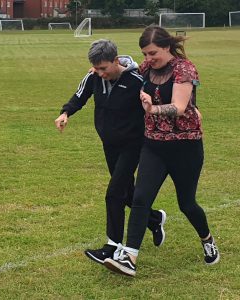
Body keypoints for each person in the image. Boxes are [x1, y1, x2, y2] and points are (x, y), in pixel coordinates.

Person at [103, 26, 220, 277]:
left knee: (187, 204)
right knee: (140, 199)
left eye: (152, 53)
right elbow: (127, 66)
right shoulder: (146, 69)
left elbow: (178, 107)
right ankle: (130, 257)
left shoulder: (184, 69)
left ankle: (207, 239)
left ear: (166, 47)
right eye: (145, 54)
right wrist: (105, 66)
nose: (148, 59)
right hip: (154, 145)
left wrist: (151, 110)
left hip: (185, 146)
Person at [54, 39, 167, 265]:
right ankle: (154, 219)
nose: (100, 73)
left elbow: (155, 102)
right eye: (96, 68)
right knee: (125, 191)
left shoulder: (137, 81)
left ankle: (112, 246)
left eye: (104, 68)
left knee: (114, 192)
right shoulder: (94, 76)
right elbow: (80, 95)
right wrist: (65, 113)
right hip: (109, 143)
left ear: (116, 61)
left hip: (133, 145)